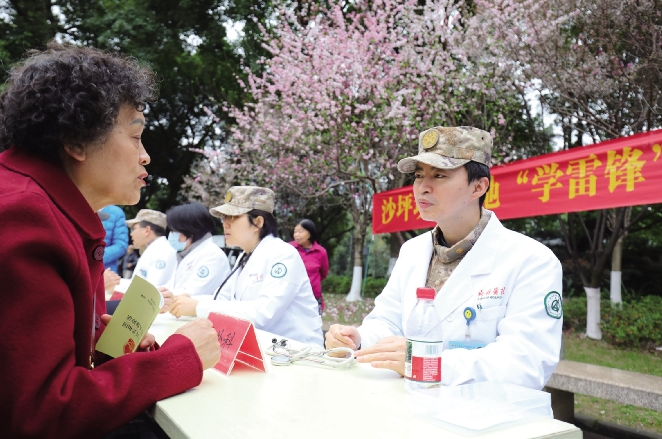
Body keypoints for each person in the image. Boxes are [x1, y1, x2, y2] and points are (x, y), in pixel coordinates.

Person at [0, 43, 220, 438]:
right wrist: (179, 358)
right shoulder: (22, 215)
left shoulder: (38, 205)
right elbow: (40, 415)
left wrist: (103, 346)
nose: (145, 156)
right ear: (75, 140)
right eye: (135, 136)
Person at [325, 126, 563, 390]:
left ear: (478, 187)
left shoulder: (531, 260)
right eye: (418, 175)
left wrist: (428, 364)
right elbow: (389, 321)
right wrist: (358, 338)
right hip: (409, 404)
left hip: (486, 412)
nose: (422, 188)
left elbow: (527, 362)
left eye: (439, 175)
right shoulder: (413, 251)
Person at [165, 186, 324, 346]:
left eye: (232, 217)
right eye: (224, 218)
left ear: (258, 222)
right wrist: (184, 300)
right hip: (267, 348)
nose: (225, 224)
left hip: (299, 351)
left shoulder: (283, 254)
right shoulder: (245, 256)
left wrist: (198, 307)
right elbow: (222, 298)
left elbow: (264, 313)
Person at [160, 201, 231, 296]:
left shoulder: (213, 256)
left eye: (174, 231)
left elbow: (191, 293)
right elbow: (172, 287)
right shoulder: (186, 254)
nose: (172, 235)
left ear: (190, 231)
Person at [126, 209, 177, 286]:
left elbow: (151, 288)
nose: (131, 234)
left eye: (134, 229)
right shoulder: (154, 250)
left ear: (147, 230)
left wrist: (115, 285)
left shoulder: (163, 252)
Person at [290, 219, 329, 314]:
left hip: (313, 296)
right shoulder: (288, 248)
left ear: (310, 233)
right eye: (295, 231)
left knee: (314, 322)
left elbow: (323, 274)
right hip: (292, 296)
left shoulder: (321, 252)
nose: (296, 235)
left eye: (300, 231)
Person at [101, 204, 129, 273]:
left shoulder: (116, 212)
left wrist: (95, 256)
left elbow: (121, 245)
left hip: (106, 270)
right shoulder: (79, 208)